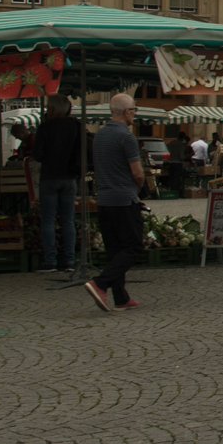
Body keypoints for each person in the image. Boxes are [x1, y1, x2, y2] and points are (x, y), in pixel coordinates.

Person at [83, 92, 145, 312]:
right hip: (123, 199)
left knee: (114, 249)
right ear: (127, 112)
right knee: (134, 246)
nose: (134, 115)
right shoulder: (126, 137)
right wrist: (137, 190)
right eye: (134, 111)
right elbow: (137, 173)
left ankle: (121, 297)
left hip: (104, 199)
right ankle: (100, 284)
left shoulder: (99, 135)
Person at [30, 94, 85, 275]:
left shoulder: (45, 127)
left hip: (49, 177)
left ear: (52, 110)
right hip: (70, 178)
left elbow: (37, 155)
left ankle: (50, 261)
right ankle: (70, 261)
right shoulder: (76, 126)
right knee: (68, 219)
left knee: (48, 220)